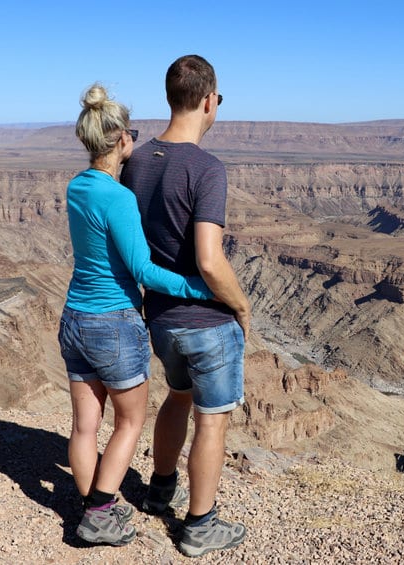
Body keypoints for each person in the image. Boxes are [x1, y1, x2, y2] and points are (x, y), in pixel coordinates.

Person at [58, 83, 213, 547]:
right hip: (112, 323)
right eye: (133, 133)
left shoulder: (77, 186)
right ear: (122, 138)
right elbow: (143, 269)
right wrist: (196, 287)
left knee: (85, 425)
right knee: (129, 423)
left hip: (74, 320)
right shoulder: (117, 197)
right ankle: (99, 515)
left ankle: (93, 508)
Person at [121, 54, 251, 558]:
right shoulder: (207, 168)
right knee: (211, 418)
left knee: (176, 397)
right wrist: (239, 306)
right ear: (208, 100)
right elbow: (209, 260)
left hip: (158, 318)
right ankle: (199, 525)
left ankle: (160, 488)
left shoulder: (135, 161)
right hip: (204, 321)